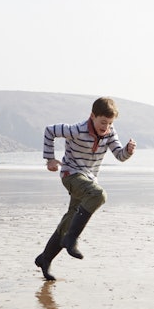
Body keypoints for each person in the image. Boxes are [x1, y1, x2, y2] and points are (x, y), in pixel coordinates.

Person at [35, 97, 135, 280]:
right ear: (92, 116)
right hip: (71, 174)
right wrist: (50, 159)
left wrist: (128, 150)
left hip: (88, 179)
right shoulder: (77, 130)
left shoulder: (110, 133)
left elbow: (119, 155)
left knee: (70, 219)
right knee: (99, 195)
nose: (106, 126)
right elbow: (49, 131)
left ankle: (45, 258)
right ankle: (71, 239)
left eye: (110, 123)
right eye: (103, 122)